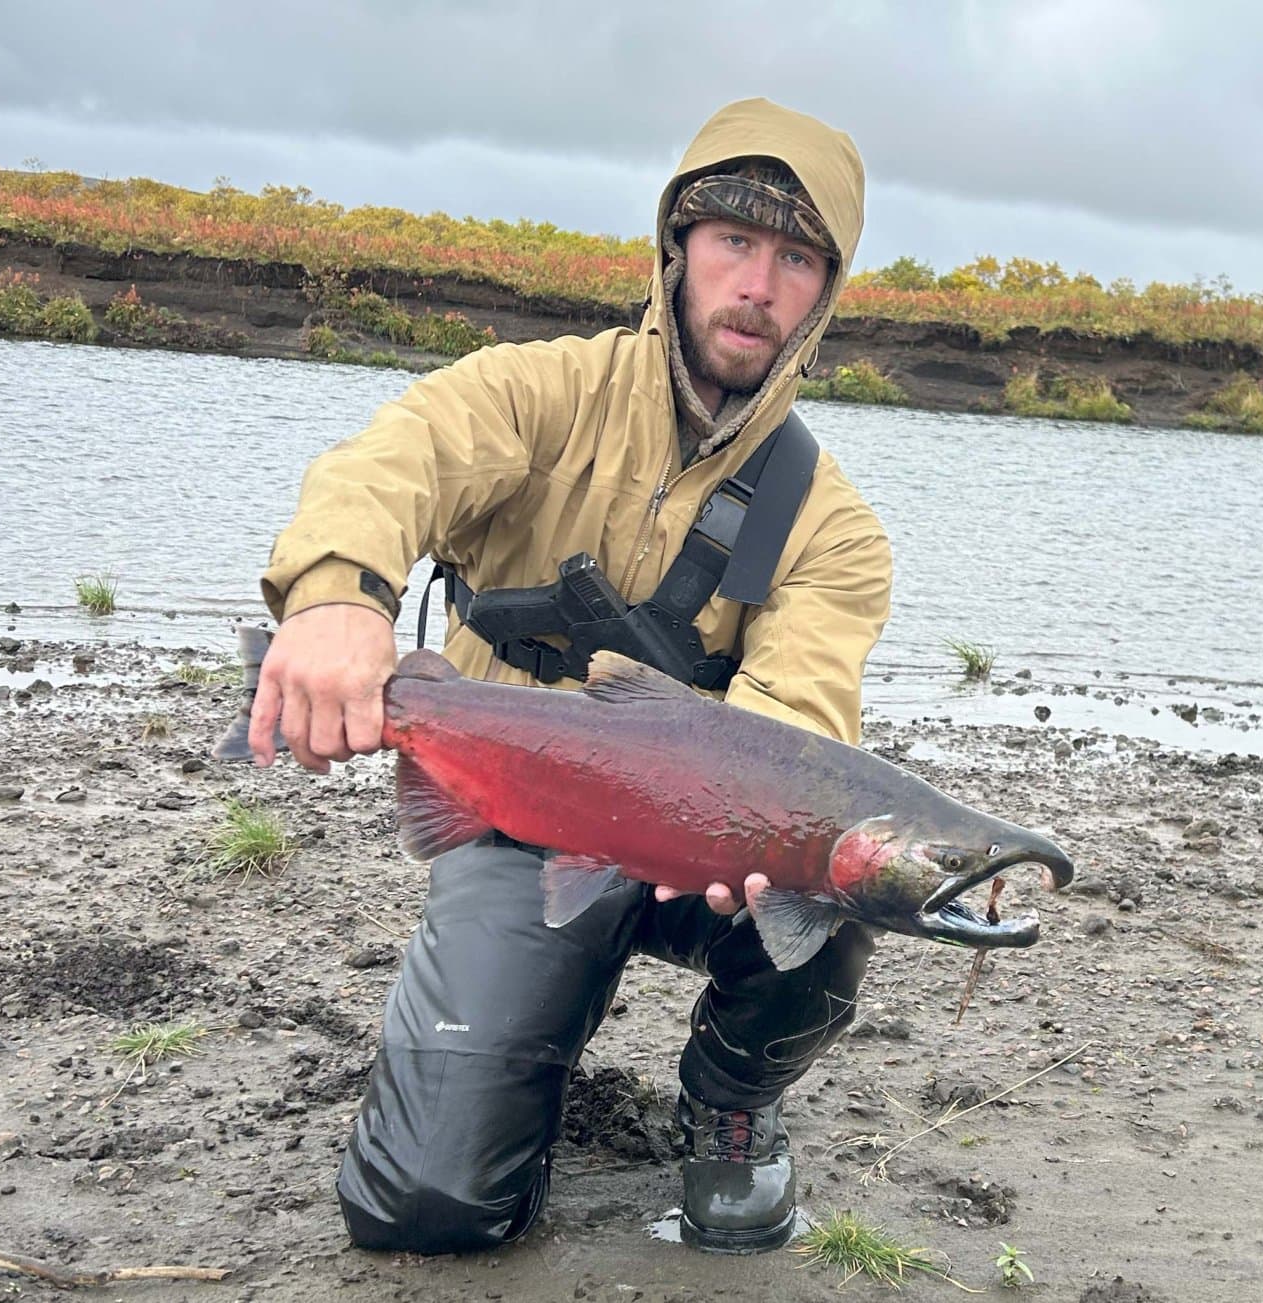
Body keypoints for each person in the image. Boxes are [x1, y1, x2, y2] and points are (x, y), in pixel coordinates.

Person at [247, 98, 891, 1256]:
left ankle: (731, 1102)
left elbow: (796, 716)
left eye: (796, 259)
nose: (757, 282)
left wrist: (762, 838)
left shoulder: (834, 530)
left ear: (823, 294)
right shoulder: (538, 392)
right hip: (516, 822)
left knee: (841, 892)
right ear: (676, 251)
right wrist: (341, 594)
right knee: (427, 1207)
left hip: (706, 857)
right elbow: (393, 462)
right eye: (734, 242)